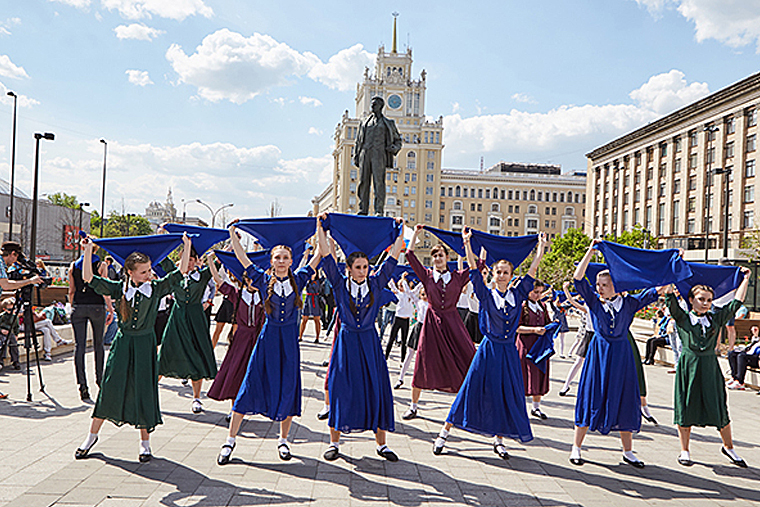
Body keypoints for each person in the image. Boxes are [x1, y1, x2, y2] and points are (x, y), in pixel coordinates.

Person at [74, 233, 190, 462]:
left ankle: (145, 443)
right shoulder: (119, 289)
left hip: (145, 345)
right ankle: (91, 437)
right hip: (124, 343)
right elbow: (88, 278)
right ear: (130, 272)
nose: (149, 274)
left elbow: (180, 273)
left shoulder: (155, 288)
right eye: (144, 271)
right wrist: (88, 249)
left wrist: (186, 246)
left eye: (149, 270)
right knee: (110, 387)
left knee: (144, 389)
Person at [432, 229, 546, 459]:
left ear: (511, 275)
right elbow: (474, 269)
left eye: (506, 272)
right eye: (499, 272)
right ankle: (444, 433)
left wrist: (540, 248)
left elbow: (533, 271)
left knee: (504, 394)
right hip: (488, 350)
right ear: (493, 274)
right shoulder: (485, 294)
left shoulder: (517, 294)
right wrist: (466, 244)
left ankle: (499, 439)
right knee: (470, 389)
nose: (502, 276)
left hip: (508, 352)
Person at [217, 223, 322, 464]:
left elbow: (318, 257)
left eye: (285, 257)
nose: (282, 261)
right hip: (268, 339)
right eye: (277, 257)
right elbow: (242, 259)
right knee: (249, 385)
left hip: (289, 343)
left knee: (288, 387)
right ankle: (229, 441)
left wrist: (321, 230)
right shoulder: (263, 279)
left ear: (291, 261)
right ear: (272, 260)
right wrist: (233, 235)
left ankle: (283, 440)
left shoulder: (300, 278)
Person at [316, 215, 405, 462]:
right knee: (340, 390)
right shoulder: (338, 283)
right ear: (349, 268)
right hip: (346, 343)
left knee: (376, 389)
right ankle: (335, 443)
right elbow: (325, 255)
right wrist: (319, 228)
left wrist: (400, 231)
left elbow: (393, 258)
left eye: (365, 267)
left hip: (369, 343)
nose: (363, 271)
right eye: (358, 267)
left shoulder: (376, 284)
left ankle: (381, 445)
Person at [570, 239, 664, 468]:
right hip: (599, 355)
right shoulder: (594, 302)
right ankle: (576, 447)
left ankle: (628, 451)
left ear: (617, 285)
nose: (599, 288)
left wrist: (671, 262)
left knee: (624, 398)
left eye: (604, 284)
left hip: (622, 356)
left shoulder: (630, 303)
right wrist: (590, 251)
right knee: (591, 395)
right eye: (598, 284)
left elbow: (658, 288)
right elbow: (577, 279)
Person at [663, 267, 751, 467]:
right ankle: (684, 450)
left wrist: (746, 279)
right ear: (691, 299)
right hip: (688, 366)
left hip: (710, 367)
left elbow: (736, 303)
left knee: (718, 406)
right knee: (685, 406)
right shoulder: (683, 318)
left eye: (709, 300)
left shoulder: (715, 319)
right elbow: (669, 295)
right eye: (701, 299)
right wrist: (672, 268)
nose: (705, 303)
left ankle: (728, 447)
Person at [402, 225, 476, 420]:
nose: (437, 258)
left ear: (446, 257)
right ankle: (413, 406)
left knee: (468, 358)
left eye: (440, 255)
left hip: (453, 323)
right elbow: (409, 255)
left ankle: (468, 404)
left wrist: (468, 243)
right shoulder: (426, 276)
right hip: (432, 324)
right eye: (434, 255)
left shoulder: (458, 277)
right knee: (421, 362)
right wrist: (416, 233)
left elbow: (479, 266)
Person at [157, 243, 218, 414]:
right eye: (185, 259)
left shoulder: (203, 275)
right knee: (165, 354)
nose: (189, 263)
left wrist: (230, 240)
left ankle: (197, 398)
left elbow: (221, 261)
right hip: (177, 317)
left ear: (197, 261)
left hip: (196, 318)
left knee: (196, 356)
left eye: (191, 259)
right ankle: (149, 395)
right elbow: (162, 256)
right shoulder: (174, 273)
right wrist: (163, 235)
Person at [206, 253, 265, 421]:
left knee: (254, 373)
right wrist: (211, 260)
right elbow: (218, 280)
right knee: (235, 372)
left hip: (257, 338)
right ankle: (234, 409)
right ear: (246, 280)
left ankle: (251, 405)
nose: (255, 282)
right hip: (240, 339)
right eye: (251, 279)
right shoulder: (236, 294)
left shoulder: (264, 295)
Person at [68, 243, 114, 402]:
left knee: (79, 346)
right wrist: (110, 308)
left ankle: (82, 386)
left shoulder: (73, 266)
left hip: (79, 306)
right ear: (97, 249)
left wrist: (73, 306)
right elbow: (105, 287)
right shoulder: (101, 265)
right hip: (96, 306)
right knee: (98, 344)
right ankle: (100, 380)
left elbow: (71, 290)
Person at [354, 96, 403, 216]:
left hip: (379, 154)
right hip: (365, 153)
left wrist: (394, 148)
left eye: (375, 104)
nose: (372, 106)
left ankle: (379, 210)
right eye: (372, 104)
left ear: (381, 106)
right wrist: (356, 155)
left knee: (379, 183)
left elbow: (398, 140)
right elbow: (358, 140)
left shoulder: (388, 123)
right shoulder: (364, 122)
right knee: (363, 182)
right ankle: (362, 209)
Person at [516, 278, 551, 419]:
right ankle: (519, 407)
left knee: (539, 375)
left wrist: (552, 325)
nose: (538, 295)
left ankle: (536, 407)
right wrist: (534, 330)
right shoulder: (521, 306)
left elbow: (547, 323)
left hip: (540, 347)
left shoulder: (542, 306)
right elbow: (517, 328)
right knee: (524, 375)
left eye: (540, 293)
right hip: (526, 346)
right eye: (535, 292)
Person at [558, 281, 592, 397]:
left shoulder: (601, 304)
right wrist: (565, 289)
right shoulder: (588, 307)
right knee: (578, 362)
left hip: (599, 336)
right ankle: (566, 385)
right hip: (588, 335)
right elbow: (572, 302)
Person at [395, 285, 426, 390]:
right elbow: (409, 292)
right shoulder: (418, 302)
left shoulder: (432, 304)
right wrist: (405, 281)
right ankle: (401, 378)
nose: (424, 296)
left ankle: (424, 380)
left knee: (424, 357)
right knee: (409, 354)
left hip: (427, 329)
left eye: (426, 294)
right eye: (422, 294)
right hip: (418, 328)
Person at [385, 273, 413, 361]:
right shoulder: (399, 294)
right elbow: (392, 287)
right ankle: (385, 357)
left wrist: (403, 279)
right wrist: (389, 278)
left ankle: (402, 360)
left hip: (406, 320)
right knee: (391, 339)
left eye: (402, 286)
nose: (400, 288)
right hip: (397, 319)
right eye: (399, 286)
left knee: (404, 341)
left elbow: (409, 290)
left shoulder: (410, 295)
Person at [727, 325, 760, 390]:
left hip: (757, 358)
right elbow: (755, 343)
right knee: (732, 354)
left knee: (742, 356)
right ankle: (735, 378)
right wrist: (756, 335)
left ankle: (740, 382)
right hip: (752, 354)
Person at [299, 271, 322, 343]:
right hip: (308, 298)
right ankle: (300, 336)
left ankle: (317, 337)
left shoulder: (319, 280)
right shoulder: (307, 280)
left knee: (316, 319)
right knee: (304, 318)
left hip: (315, 299)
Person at [0, 297, 21, 370]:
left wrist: (16, 334)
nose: (11, 311)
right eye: (9, 310)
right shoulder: (2, 316)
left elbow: (16, 327)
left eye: (13, 309)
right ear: (5, 309)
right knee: (3, 343)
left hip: (11, 332)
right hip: (3, 332)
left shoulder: (15, 317)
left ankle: (15, 361)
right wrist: (1, 330)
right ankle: (1, 360)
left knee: (14, 345)